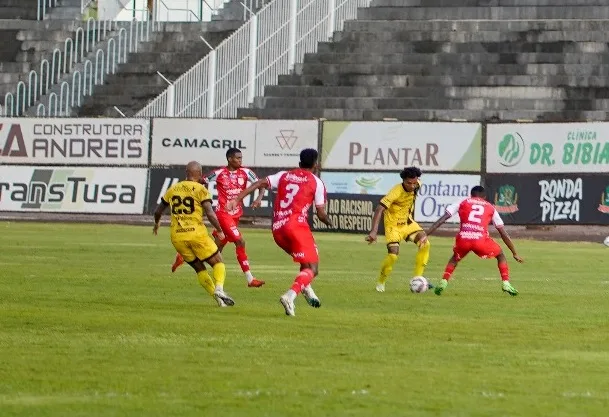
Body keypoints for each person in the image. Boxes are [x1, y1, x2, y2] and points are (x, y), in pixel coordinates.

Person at [227, 148, 333, 316]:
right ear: (316, 165)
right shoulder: (316, 182)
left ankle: (306, 288)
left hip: (277, 230)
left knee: (305, 262)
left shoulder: (284, 175)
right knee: (313, 268)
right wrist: (329, 222)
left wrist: (236, 199)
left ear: (299, 163)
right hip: (296, 227)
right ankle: (290, 295)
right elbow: (320, 214)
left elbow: (259, 183)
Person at [171, 148, 265, 288]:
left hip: (235, 216)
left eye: (241, 158)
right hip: (223, 214)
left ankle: (183, 256)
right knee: (240, 241)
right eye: (237, 158)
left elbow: (261, 184)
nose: (240, 160)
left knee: (216, 250)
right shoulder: (219, 173)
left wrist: (258, 198)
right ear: (229, 159)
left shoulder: (246, 172)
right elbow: (200, 181)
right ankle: (250, 278)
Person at [153, 161, 235, 307]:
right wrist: (220, 231)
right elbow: (210, 214)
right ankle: (219, 289)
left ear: (186, 172)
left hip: (177, 237)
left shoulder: (173, 188)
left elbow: (158, 211)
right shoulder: (200, 189)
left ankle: (220, 302)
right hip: (196, 234)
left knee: (199, 268)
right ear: (200, 174)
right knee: (218, 262)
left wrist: (156, 224)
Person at [423, 185, 523, 296]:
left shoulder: (462, 202)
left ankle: (443, 282)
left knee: (455, 258)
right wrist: (514, 253)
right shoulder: (490, 207)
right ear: (484, 197)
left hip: (464, 239)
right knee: (500, 255)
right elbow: (502, 232)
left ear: (471, 195)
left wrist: (426, 234)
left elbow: (443, 219)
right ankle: (506, 283)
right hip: (480, 240)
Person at [366, 167, 432, 292]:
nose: (412, 186)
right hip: (393, 227)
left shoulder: (417, 185)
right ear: (403, 181)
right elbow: (380, 208)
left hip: (408, 224)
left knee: (425, 244)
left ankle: (417, 278)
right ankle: (381, 282)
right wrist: (374, 231)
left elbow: (414, 189)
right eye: (409, 183)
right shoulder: (396, 192)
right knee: (393, 256)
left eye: (414, 182)